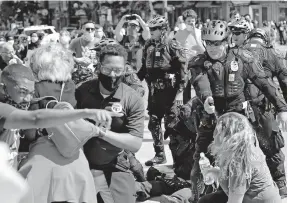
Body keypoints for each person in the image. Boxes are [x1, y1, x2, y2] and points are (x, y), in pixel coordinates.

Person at [188, 20, 287, 203]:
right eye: (208, 43)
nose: (212, 47)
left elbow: (264, 82)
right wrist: (207, 99)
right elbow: (201, 83)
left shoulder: (243, 58)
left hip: (239, 123)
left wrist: (282, 109)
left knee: (249, 161)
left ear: (226, 41)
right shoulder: (199, 62)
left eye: (217, 43)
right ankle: (198, 197)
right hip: (212, 117)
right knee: (199, 161)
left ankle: (265, 193)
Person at [18, 43, 123, 203]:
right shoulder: (75, 88)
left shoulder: (35, 89)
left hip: (41, 162)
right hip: (76, 161)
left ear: (38, 66)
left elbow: (30, 134)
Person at [76, 44, 144, 203]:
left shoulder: (132, 98)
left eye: (118, 71)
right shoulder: (81, 91)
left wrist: (100, 132)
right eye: (107, 70)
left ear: (125, 69)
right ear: (99, 67)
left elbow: (135, 144)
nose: (112, 75)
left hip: (114, 165)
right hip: (81, 163)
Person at [198, 112, 281, 203]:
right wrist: (213, 172)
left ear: (229, 136)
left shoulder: (239, 162)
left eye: (218, 131)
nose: (214, 134)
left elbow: (234, 201)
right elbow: (231, 178)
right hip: (255, 198)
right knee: (207, 200)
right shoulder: (242, 147)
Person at [70, 21, 98, 85]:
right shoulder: (75, 41)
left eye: (92, 29)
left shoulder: (99, 41)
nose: (90, 31)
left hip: (95, 73)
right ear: (83, 30)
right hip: (80, 74)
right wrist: (77, 60)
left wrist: (95, 62)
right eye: (87, 29)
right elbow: (67, 55)